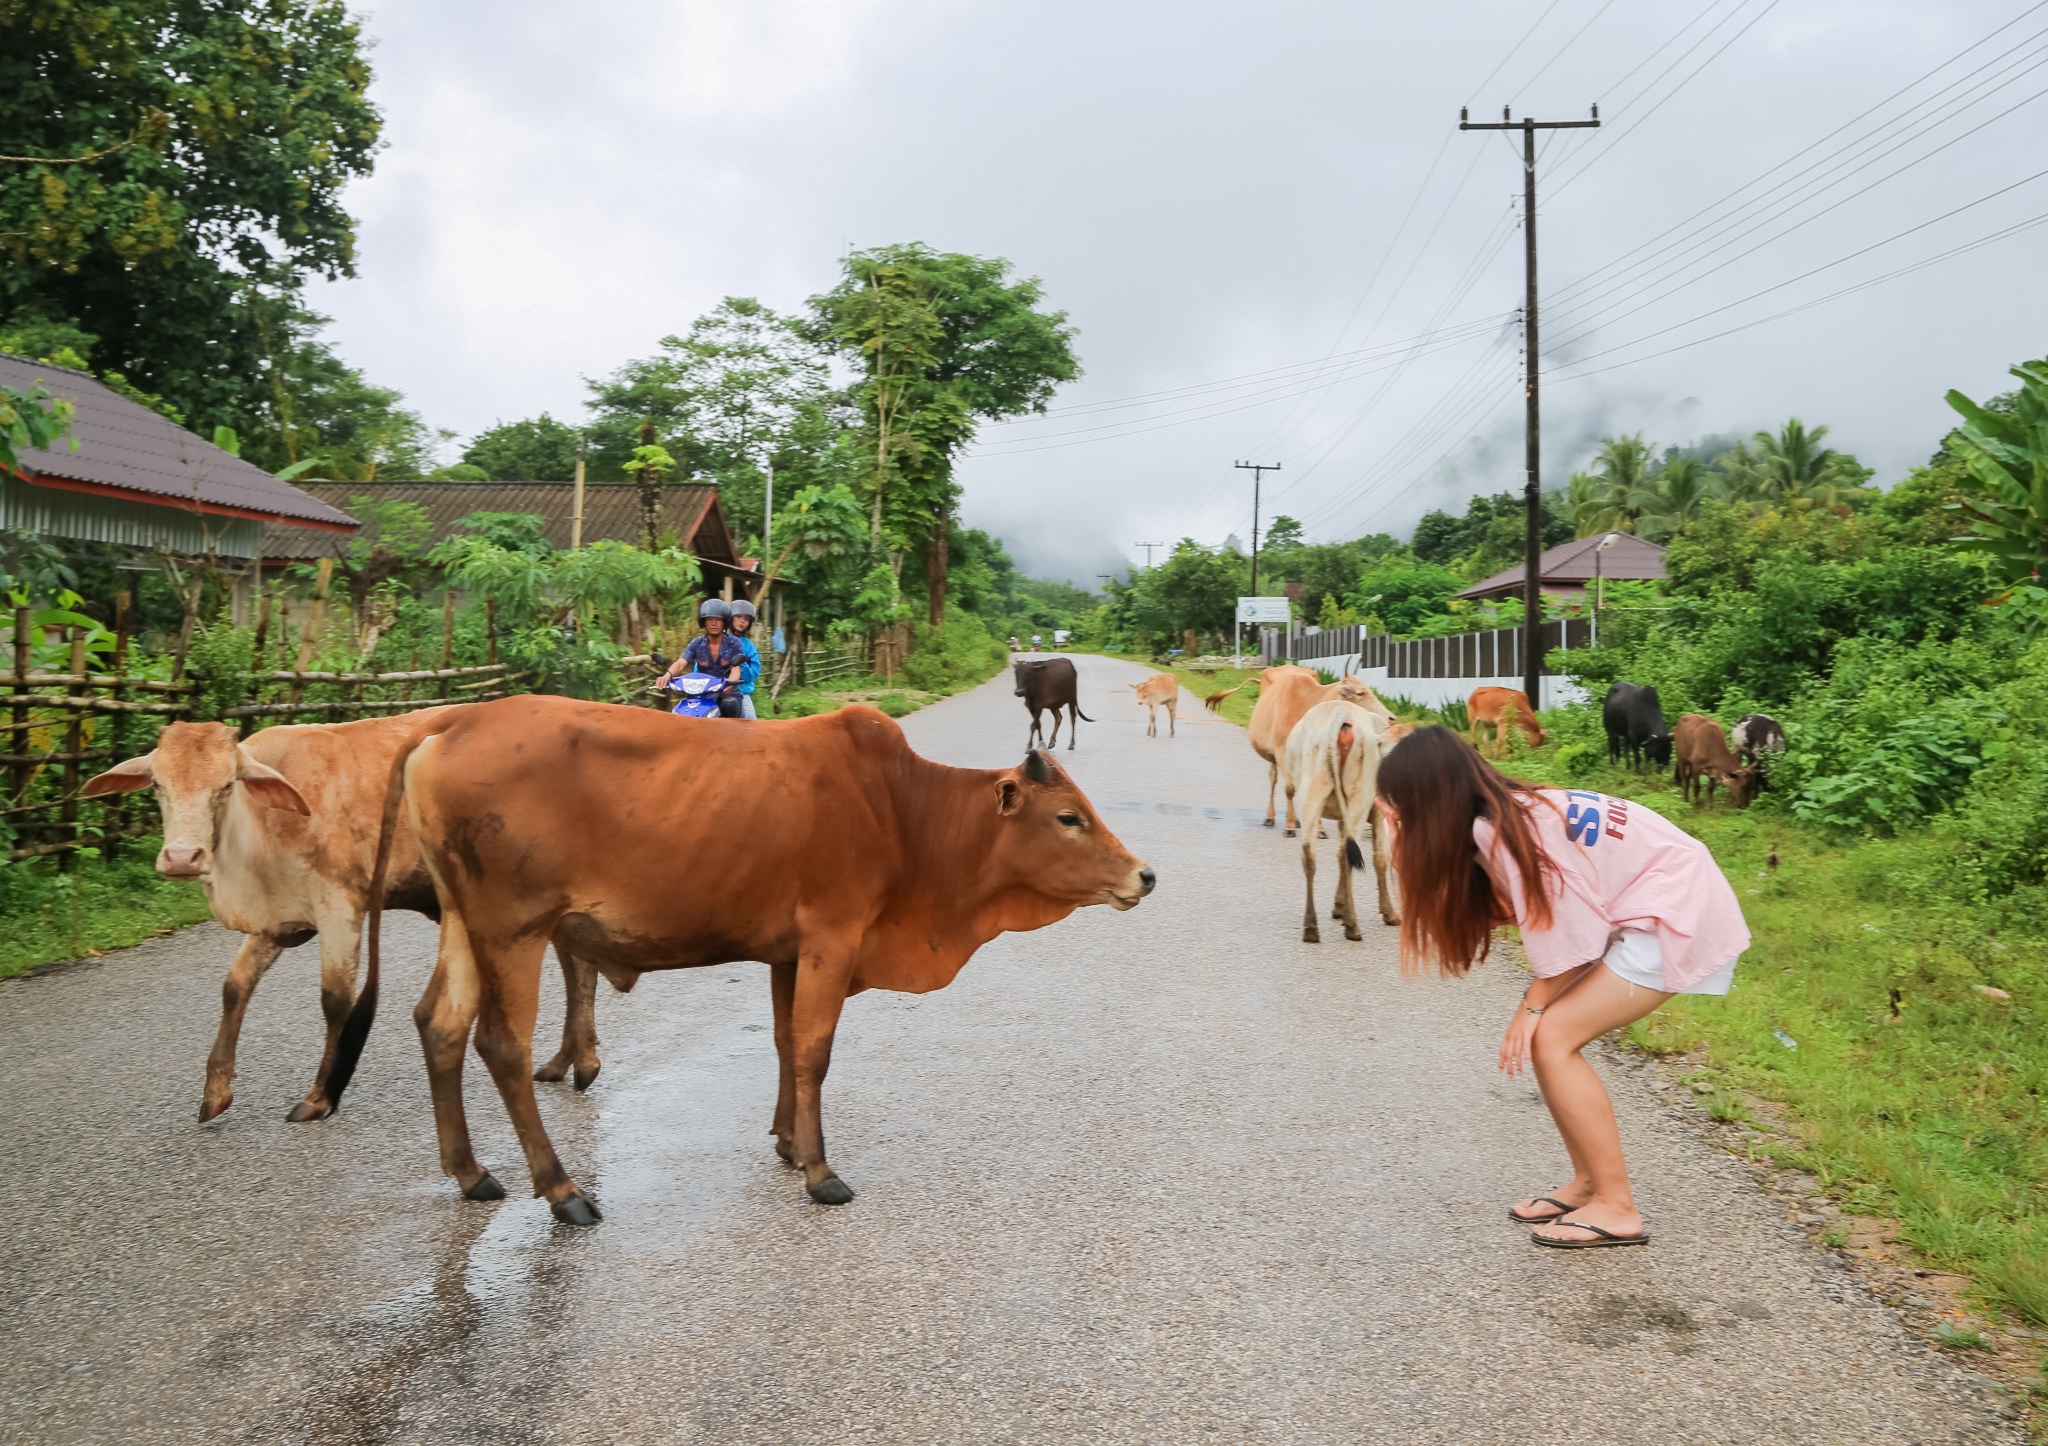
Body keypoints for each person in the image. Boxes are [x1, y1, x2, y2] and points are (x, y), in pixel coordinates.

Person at [1374, 726, 1750, 1250]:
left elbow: (1575, 936)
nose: (1391, 816)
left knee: (1551, 1038)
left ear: (1429, 800)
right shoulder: (1502, 818)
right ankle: (1588, 1184)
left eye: (1396, 808)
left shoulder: (1507, 832)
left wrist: (1530, 1006)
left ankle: (1617, 1208)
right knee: (1552, 1038)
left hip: (1676, 912)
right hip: (1664, 902)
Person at [661, 598, 747, 717]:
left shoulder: (734, 643)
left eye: (718, 619)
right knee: (681, 713)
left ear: (725, 622)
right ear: (703, 622)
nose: (713, 623)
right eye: (709, 619)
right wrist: (667, 675)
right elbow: (680, 663)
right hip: (702, 694)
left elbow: (736, 669)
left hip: (727, 694)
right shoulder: (696, 643)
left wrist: (729, 683)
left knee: (729, 706)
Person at [727, 598, 763, 719]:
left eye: (746, 619)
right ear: (730, 617)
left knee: (751, 721)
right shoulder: (717, 640)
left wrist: (741, 662)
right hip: (714, 691)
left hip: (741, 692)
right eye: (738, 617)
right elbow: (700, 666)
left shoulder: (749, 646)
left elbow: (753, 675)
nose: (742, 621)